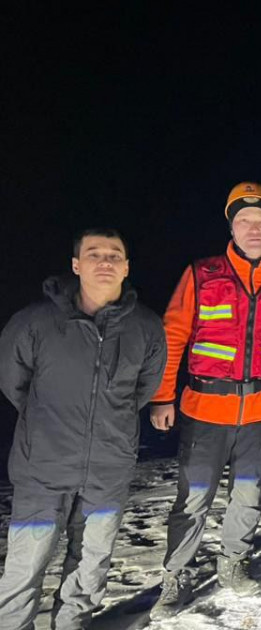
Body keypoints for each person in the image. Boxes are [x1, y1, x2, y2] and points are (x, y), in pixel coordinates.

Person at [149, 183, 261, 614]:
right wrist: (162, 397)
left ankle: (234, 563)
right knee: (193, 498)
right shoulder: (202, 273)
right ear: (231, 228)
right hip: (205, 410)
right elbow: (173, 335)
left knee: (249, 495)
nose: (254, 229)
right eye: (244, 221)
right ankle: (177, 575)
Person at [0, 228, 166, 629]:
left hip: (108, 469)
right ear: (76, 265)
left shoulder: (146, 328)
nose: (105, 262)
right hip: (42, 467)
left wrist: (108, 424)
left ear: (126, 267)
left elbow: (143, 389)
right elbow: (14, 382)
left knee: (91, 565)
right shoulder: (35, 322)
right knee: (25, 567)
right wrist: (48, 423)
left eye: (114, 255)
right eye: (94, 254)